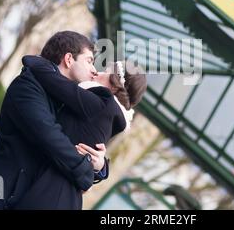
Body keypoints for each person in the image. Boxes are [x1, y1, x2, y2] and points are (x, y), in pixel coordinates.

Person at [0, 31, 107, 210]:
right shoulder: (27, 85)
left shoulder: (62, 101)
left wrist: (99, 165)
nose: (94, 70)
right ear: (68, 59)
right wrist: (84, 171)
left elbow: (77, 139)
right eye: (89, 60)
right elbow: (48, 134)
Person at [14, 54, 147, 209]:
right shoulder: (110, 116)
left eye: (106, 73)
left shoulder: (104, 102)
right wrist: (101, 168)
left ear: (115, 87)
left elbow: (53, 81)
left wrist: (32, 59)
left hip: (47, 193)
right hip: (63, 198)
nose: (98, 73)